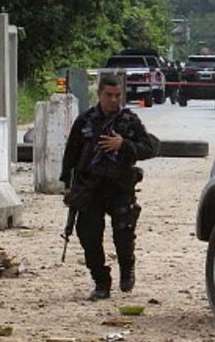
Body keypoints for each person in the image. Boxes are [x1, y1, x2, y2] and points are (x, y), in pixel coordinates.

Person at [60, 74, 158, 300]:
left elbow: (150, 147)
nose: (113, 100)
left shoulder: (128, 121)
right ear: (99, 94)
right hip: (90, 187)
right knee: (89, 237)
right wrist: (68, 185)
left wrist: (123, 144)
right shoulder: (85, 121)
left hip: (120, 185)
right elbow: (71, 155)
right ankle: (101, 281)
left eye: (117, 96)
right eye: (109, 95)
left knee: (124, 234)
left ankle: (127, 269)